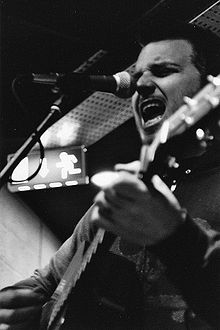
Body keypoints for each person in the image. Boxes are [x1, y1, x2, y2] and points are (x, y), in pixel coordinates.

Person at [1, 20, 220, 329]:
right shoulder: (112, 204)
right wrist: (18, 304)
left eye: (163, 71)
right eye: (137, 76)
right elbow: (46, 282)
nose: (140, 86)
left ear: (208, 92)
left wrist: (175, 235)